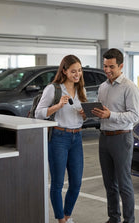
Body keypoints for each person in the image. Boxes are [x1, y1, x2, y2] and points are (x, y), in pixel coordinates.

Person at [35, 54, 87, 223]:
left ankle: (67, 215)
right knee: (57, 183)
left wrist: (85, 114)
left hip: (77, 137)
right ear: (64, 71)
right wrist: (57, 106)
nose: (77, 74)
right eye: (73, 71)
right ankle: (61, 219)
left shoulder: (81, 89)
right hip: (59, 137)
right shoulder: (53, 89)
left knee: (76, 183)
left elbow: (83, 118)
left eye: (79, 71)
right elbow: (39, 113)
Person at [92, 48, 139, 223]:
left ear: (121, 66)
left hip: (122, 138)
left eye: (111, 66)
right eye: (105, 66)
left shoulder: (129, 88)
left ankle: (129, 220)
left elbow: (134, 116)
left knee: (124, 184)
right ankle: (114, 218)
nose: (107, 70)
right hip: (104, 137)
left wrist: (110, 115)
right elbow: (102, 112)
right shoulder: (102, 87)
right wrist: (92, 113)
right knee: (109, 184)